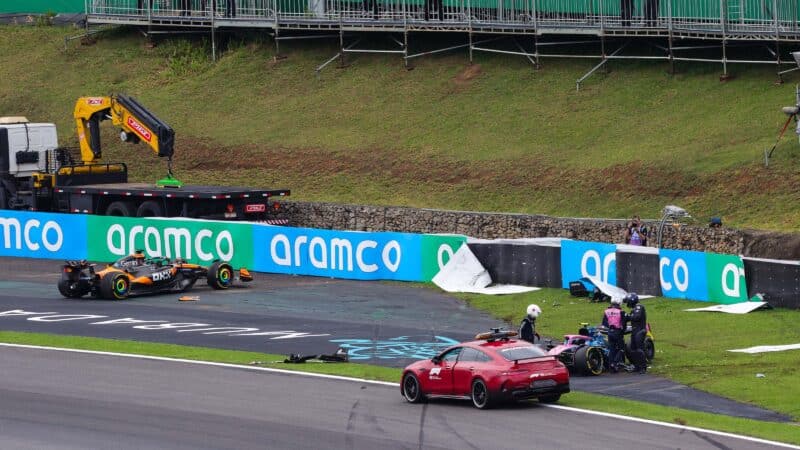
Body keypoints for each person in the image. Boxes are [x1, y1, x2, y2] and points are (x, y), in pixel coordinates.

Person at [625, 293, 648, 374]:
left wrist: (628, 316)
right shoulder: (634, 309)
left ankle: (643, 367)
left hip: (640, 331)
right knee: (632, 349)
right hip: (635, 331)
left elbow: (636, 317)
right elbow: (630, 317)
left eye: (628, 301)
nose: (627, 303)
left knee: (639, 349)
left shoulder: (639, 307)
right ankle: (637, 366)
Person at [602, 297, 626, 372]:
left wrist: (610, 326)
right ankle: (615, 363)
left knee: (611, 349)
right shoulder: (621, 312)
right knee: (622, 348)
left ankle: (611, 367)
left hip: (610, 332)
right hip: (617, 332)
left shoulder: (606, 311)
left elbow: (604, 323)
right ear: (619, 303)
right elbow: (624, 323)